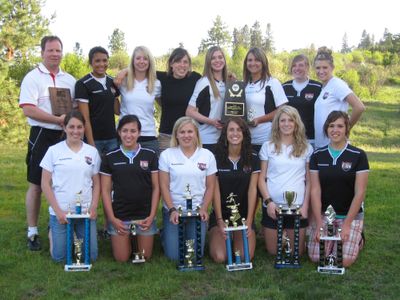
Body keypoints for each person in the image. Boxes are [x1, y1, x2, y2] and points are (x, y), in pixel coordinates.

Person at [19, 35, 76, 251]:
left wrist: (70, 123)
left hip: (65, 136)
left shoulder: (69, 80)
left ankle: (57, 224)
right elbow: (28, 109)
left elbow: (76, 108)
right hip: (42, 134)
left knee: (63, 183)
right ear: (42, 52)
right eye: (50, 50)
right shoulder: (32, 78)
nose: (54, 54)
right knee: (36, 184)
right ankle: (32, 232)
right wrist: (57, 120)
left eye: (58, 50)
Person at [308, 111, 369, 267]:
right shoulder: (317, 155)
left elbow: (360, 192)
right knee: (317, 257)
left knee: (343, 260)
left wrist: (348, 223)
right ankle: (333, 235)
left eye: (340, 126)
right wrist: (319, 221)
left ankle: (358, 237)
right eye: (331, 126)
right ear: (326, 129)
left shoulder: (358, 155)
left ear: (347, 128)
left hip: (349, 216)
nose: (335, 130)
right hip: (326, 215)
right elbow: (315, 190)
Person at [40, 111, 100, 262]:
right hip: (61, 213)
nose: (75, 131)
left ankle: (74, 235)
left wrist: (93, 207)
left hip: (84, 212)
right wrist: (58, 211)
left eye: (79, 127)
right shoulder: (53, 151)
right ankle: (53, 230)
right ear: (64, 127)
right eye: (71, 126)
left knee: (91, 256)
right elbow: (45, 183)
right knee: (59, 258)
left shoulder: (92, 152)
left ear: (84, 128)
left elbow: (97, 182)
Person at [100, 115, 159, 262]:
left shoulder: (150, 155)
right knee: (122, 258)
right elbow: (105, 191)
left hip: (144, 216)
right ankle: (128, 238)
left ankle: (138, 237)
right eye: (125, 130)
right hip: (120, 216)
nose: (129, 135)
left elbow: (156, 187)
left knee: (144, 256)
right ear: (119, 132)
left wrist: (151, 216)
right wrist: (112, 219)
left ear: (139, 133)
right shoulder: (109, 156)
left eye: (133, 131)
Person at [159, 116, 217, 261]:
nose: (186, 136)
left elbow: (210, 187)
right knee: (174, 256)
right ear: (176, 135)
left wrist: (204, 208)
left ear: (196, 134)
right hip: (174, 211)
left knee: (196, 254)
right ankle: (164, 233)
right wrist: (172, 209)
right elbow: (164, 186)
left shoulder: (207, 155)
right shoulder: (167, 155)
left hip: (197, 211)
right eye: (182, 132)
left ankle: (182, 232)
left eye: (190, 132)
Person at [258, 105, 313, 256]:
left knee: (298, 252)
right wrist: (268, 202)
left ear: (296, 124)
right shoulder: (267, 147)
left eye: (291, 120)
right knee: (273, 252)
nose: (286, 124)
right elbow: (261, 179)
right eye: (283, 120)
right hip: (273, 207)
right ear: (277, 123)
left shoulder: (307, 148)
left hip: (297, 207)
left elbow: (309, 180)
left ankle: (286, 235)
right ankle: (278, 234)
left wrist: (306, 206)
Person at [209, 118, 260, 263]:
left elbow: (252, 191)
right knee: (220, 257)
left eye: (239, 130)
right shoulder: (215, 157)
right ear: (225, 133)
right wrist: (219, 220)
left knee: (244, 257)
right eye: (231, 130)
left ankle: (237, 236)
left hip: (242, 217)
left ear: (244, 134)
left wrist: (249, 222)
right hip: (222, 215)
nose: (235, 133)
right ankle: (222, 237)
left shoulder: (253, 158)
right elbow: (215, 191)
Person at [313, 47, 365, 148]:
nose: (321, 71)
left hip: (335, 146)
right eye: (318, 68)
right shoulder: (324, 87)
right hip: (322, 146)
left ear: (332, 68)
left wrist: (346, 129)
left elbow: (359, 107)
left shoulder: (337, 84)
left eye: (325, 67)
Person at [75, 46, 120, 154]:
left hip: (112, 138)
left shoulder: (112, 81)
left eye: (104, 60)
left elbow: (117, 111)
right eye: (97, 61)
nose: (101, 64)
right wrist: (91, 145)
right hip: (94, 139)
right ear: (91, 63)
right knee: (94, 170)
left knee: (111, 170)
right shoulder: (83, 84)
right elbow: (84, 117)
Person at [243, 47, 288, 153]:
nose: (253, 63)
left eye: (257, 60)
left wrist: (259, 120)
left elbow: (282, 110)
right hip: (245, 139)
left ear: (263, 62)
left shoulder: (272, 83)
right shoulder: (242, 84)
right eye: (250, 60)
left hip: (267, 139)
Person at [157, 48, 202, 151]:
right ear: (171, 64)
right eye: (178, 61)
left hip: (189, 135)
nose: (182, 65)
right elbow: (141, 70)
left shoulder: (195, 78)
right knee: (165, 166)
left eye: (185, 62)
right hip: (167, 135)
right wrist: (124, 71)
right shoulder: (162, 78)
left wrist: (230, 78)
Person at [186, 46, 228, 153]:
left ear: (224, 59)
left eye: (220, 57)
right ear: (209, 62)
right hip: (207, 140)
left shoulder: (229, 83)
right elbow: (190, 112)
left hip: (225, 139)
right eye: (213, 58)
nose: (217, 60)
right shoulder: (203, 82)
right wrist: (212, 122)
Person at [119, 46, 161, 154]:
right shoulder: (123, 81)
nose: (141, 61)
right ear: (133, 61)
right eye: (138, 58)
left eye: (145, 58)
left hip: (148, 135)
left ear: (149, 61)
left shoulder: (156, 84)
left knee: (151, 170)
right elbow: (112, 93)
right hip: (126, 135)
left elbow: (163, 104)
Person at [282, 54, 322, 146]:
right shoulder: (284, 87)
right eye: (294, 66)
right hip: (289, 138)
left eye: (301, 65)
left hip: (310, 138)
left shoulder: (318, 87)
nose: (297, 68)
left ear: (307, 67)